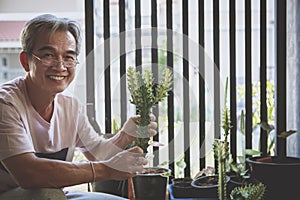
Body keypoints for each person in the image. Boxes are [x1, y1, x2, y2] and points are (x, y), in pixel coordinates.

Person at [0, 14, 157, 199]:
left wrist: (125, 135)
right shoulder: (6, 104)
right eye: (48, 55)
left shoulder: (70, 107)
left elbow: (97, 154)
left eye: (68, 57)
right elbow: (29, 174)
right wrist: (107, 170)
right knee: (48, 194)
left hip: (57, 194)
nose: (60, 66)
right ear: (26, 61)